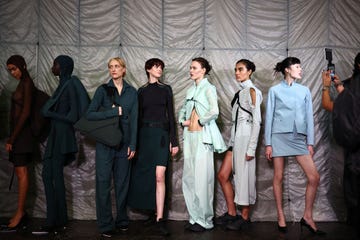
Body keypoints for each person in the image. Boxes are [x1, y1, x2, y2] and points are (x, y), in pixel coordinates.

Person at [264, 57, 325, 235]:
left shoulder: (304, 90)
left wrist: (310, 142)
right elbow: (269, 118)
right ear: (287, 70)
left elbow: (308, 116)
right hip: (278, 136)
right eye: (297, 66)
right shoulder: (274, 90)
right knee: (278, 176)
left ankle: (307, 216)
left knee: (314, 177)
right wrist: (268, 143)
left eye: (301, 66)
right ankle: (280, 216)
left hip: (299, 138)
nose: (301, 69)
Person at [32, 55, 89, 235]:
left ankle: (53, 221)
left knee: (53, 176)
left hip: (63, 136)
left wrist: (50, 113)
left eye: (55, 64)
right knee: (49, 175)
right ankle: (59, 218)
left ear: (63, 67)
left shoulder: (70, 84)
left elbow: (73, 117)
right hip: (56, 135)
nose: (52, 67)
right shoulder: (62, 85)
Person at [86, 57, 138, 238]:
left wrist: (133, 144)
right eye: (111, 67)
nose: (113, 69)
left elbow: (135, 120)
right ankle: (105, 224)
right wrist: (113, 112)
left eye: (117, 66)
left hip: (125, 145)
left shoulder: (133, 92)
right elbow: (89, 115)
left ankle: (122, 220)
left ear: (124, 70)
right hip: (105, 144)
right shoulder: (102, 90)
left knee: (123, 184)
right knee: (103, 184)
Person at [128, 58, 179, 236]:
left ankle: (160, 219)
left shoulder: (166, 89)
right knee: (147, 176)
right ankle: (152, 213)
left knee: (159, 176)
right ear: (148, 69)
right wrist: (134, 143)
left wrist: (175, 141)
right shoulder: (140, 91)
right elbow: (136, 118)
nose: (160, 70)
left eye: (161, 68)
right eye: (157, 67)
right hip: (144, 136)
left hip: (161, 137)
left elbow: (171, 115)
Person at [178, 57, 227, 232]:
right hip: (189, 137)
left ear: (203, 70)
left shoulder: (209, 88)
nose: (191, 70)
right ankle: (194, 217)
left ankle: (205, 220)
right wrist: (182, 120)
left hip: (203, 138)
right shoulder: (190, 89)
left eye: (194, 67)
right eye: (190, 67)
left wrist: (200, 121)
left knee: (203, 180)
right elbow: (183, 110)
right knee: (189, 179)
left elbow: (214, 110)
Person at [215, 59, 263, 231]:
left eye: (241, 69)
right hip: (235, 140)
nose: (237, 72)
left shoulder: (252, 91)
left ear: (249, 71)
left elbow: (257, 121)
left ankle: (244, 217)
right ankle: (232, 212)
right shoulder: (240, 92)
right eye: (235, 69)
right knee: (223, 175)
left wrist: (251, 147)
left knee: (244, 177)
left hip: (246, 138)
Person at [322, 52, 360, 233]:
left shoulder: (353, 87)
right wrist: (339, 88)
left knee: (354, 190)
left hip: (355, 152)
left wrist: (325, 86)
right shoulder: (351, 87)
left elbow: (331, 106)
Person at [0, 55, 38, 232]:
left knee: (22, 174)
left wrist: (12, 138)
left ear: (22, 66)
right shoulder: (22, 84)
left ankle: (20, 213)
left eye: (14, 68)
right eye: (9, 70)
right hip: (19, 135)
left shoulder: (27, 84)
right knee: (20, 172)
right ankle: (20, 212)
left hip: (22, 137)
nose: (12, 72)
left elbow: (25, 113)